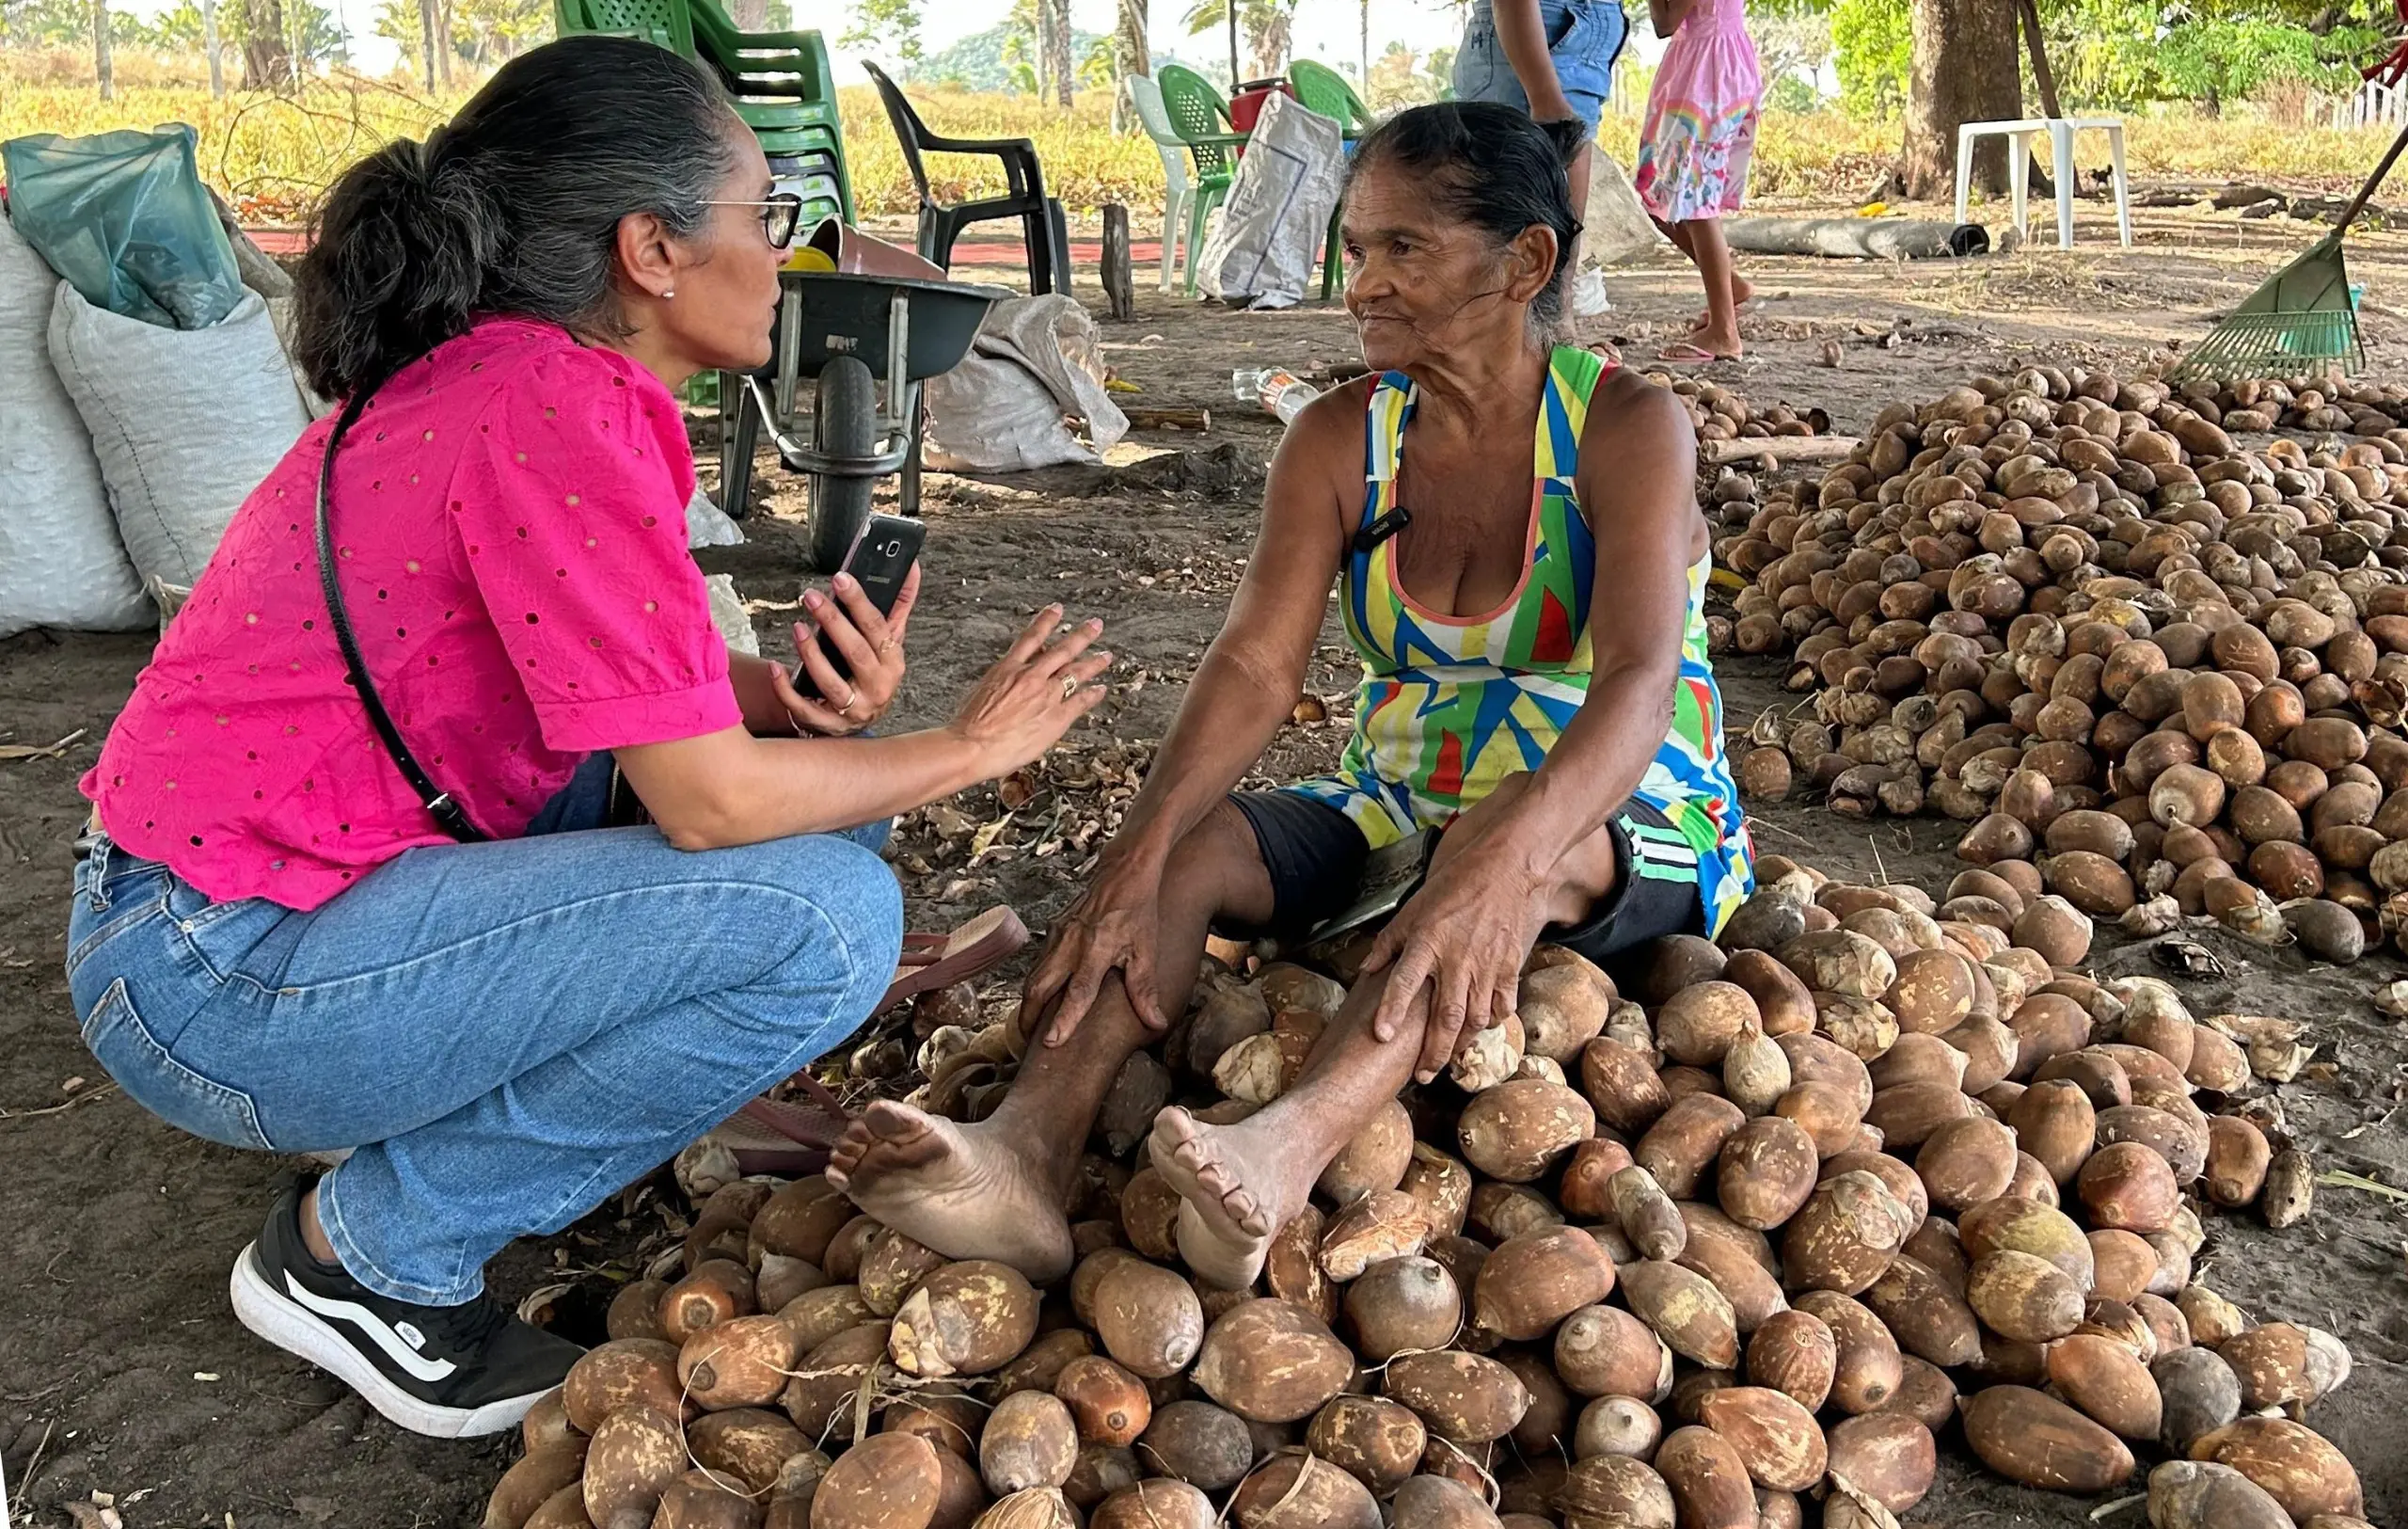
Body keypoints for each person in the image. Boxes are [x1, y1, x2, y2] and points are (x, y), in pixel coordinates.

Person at [63, 35, 1111, 1441]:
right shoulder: (553, 403)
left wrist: (791, 699)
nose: (786, 254)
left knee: (830, 803)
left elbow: (625, 687)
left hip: (232, 917)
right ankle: (364, 1256)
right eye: (766, 214)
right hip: (218, 972)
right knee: (827, 921)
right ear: (652, 249)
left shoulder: (518, 379)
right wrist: (974, 747)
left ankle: (586, 1098)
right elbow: (709, 806)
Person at [828, 102, 1751, 1290]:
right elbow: (1257, 669)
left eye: (1403, 248)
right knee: (1189, 842)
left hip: (1618, 805)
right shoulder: (1335, 438)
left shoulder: (1625, 425)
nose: (1360, 283)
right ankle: (1025, 1150)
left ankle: (1283, 1149)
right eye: (1354, 247)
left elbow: (1637, 681)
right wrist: (1131, 859)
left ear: (1524, 260)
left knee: (1500, 837)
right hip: (1400, 791)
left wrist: (1510, 851)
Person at [1450, 0, 1627, 317]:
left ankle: (1551, 329)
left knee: (1556, 268)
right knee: (1501, 244)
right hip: (1535, 29)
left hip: (1585, 30)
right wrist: (1544, 95)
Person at [1633, 0, 1763, 361]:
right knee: (1658, 199)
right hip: (1714, 63)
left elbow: (1665, 21)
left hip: (1707, 72)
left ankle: (1725, 332)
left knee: (1695, 200)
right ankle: (1729, 286)